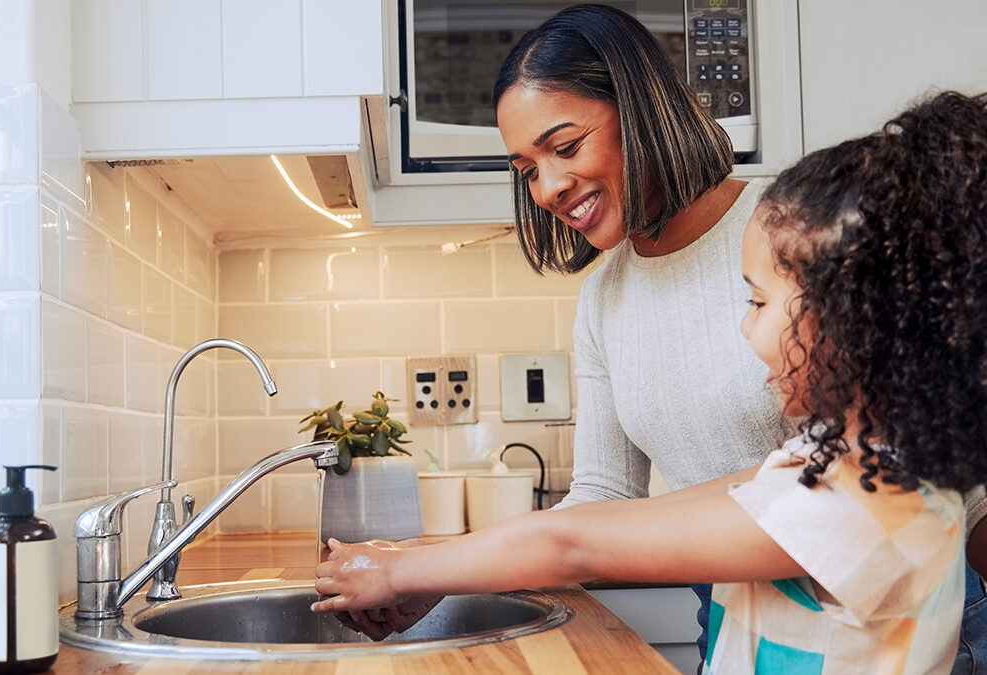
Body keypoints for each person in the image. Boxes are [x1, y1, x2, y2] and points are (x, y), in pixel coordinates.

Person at [314, 89, 987, 673]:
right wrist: (447, 566)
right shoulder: (839, 467)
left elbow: (573, 539)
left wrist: (398, 568)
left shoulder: (863, 500)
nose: (745, 330)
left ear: (851, 314)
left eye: (756, 302)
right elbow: (625, 514)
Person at [491, 4, 987, 669]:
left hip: (887, 610)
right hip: (741, 610)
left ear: (636, 111)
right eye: (527, 169)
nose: (548, 186)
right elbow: (603, 500)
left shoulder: (786, 231)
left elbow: (917, 440)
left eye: (565, 145)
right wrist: (474, 567)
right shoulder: (603, 300)